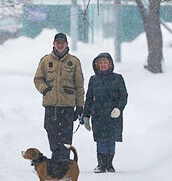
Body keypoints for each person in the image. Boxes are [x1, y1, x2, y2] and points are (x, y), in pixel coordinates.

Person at [34, 32, 85, 161]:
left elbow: (79, 85)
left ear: (67, 44)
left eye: (63, 43)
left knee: (66, 135)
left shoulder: (74, 62)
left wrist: (79, 106)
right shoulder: (46, 61)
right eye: (58, 43)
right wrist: (44, 90)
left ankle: (64, 161)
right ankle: (56, 157)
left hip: (67, 106)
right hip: (51, 105)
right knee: (52, 132)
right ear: (53, 44)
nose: (60, 45)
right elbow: (38, 79)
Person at [82, 52, 128, 173]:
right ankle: (101, 164)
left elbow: (123, 96)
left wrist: (119, 108)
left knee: (111, 139)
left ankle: (109, 163)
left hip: (113, 114)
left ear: (110, 64)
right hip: (98, 115)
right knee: (101, 139)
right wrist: (86, 115)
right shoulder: (93, 79)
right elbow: (89, 98)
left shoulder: (118, 78)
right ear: (97, 65)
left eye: (105, 62)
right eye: (100, 63)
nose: (103, 65)